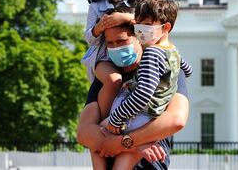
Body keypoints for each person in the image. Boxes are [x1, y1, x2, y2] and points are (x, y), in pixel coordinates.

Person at [77, 23, 189, 169]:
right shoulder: (107, 78)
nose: (116, 47)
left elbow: (176, 120)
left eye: (122, 41)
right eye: (110, 43)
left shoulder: (167, 70)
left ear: (139, 38)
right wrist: (133, 146)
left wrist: (122, 142)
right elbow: (84, 132)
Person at [103, 0, 192, 169]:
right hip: (153, 117)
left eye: (148, 25)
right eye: (139, 24)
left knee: (101, 129)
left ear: (165, 27)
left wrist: (116, 118)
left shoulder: (152, 53)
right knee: (125, 161)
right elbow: (187, 70)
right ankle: (137, 146)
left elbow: (143, 93)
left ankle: (135, 146)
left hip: (138, 115)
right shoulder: (173, 52)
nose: (141, 30)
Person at [81, 0, 148, 120]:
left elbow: (149, 28)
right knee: (113, 80)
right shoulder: (97, 5)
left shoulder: (142, 6)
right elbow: (89, 38)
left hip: (132, 59)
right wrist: (99, 28)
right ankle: (104, 121)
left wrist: (126, 18)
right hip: (104, 58)